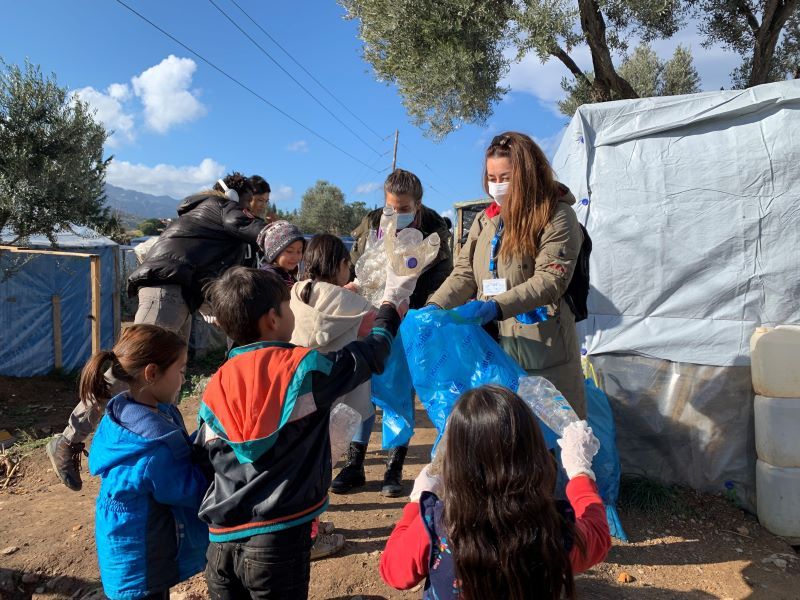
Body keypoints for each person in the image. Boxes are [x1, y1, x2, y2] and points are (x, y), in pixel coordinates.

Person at [194, 260, 421, 600]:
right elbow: (372, 354)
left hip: (220, 544)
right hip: (278, 544)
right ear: (272, 318)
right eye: (288, 306)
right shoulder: (303, 370)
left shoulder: (217, 384)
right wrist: (390, 303)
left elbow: (202, 456)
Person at [46, 172, 269, 492]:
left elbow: (206, 272)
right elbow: (248, 229)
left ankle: (163, 446)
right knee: (128, 370)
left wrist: (219, 310)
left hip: (178, 294)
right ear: (235, 197)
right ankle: (69, 440)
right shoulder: (221, 208)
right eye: (252, 202)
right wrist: (282, 234)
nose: (254, 209)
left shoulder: (207, 222)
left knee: (168, 374)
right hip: (165, 291)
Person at [379, 385, 611, 599]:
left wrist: (415, 504)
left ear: (456, 462)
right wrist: (580, 471)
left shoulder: (436, 524)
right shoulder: (552, 529)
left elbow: (394, 573)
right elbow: (598, 537)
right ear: (533, 454)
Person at [427, 132, 587, 417]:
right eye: (492, 177)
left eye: (506, 177)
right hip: (492, 349)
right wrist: (433, 307)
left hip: (542, 353)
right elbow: (464, 273)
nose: (497, 185)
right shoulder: (485, 220)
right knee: (504, 439)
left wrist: (495, 306)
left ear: (527, 174)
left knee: (550, 442)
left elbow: (551, 280)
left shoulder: (557, 216)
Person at [334, 168, 453, 497]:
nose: (396, 214)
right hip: (367, 316)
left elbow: (440, 279)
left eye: (403, 208)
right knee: (360, 388)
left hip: (406, 319)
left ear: (418, 204)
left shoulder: (434, 232)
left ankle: (394, 466)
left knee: (398, 392)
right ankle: (355, 464)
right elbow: (359, 261)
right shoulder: (372, 223)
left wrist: (410, 305)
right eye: (391, 207)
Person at [84, 324, 208, 600]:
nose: (184, 379)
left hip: (129, 549)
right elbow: (192, 491)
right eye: (181, 370)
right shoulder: (152, 450)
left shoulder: (127, 412)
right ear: (152, 373)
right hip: (141, 564)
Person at [290, 234, 377, 560]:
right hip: (335, 401)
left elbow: (327, 305)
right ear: (340, 265)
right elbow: (372, 330)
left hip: (299, 396)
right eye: (347, 264)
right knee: (319, 470)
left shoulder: (298, 293)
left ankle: (309, 526)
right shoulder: (355, 306)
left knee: (304, 466)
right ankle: (308, 539)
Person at [258, 220, 306, 288]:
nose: (295, 257)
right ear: (273, 253)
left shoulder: (285, 274)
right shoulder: (270, 278)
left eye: (299, 251)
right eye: (289, 251)